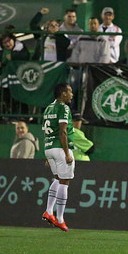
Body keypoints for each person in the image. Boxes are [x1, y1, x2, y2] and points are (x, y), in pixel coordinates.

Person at [41, 83, 76, 232]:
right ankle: (60, 219)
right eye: (70, 91)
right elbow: (63, 132)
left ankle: (49, 211)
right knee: (65, 181)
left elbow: (46, 131)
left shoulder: (48, 108)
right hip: (60, 148)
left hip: (49, 147)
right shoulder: (64, 108)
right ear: (63, 93)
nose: (72, 94)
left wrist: (48, 155)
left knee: (57, 178)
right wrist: (67, 153)